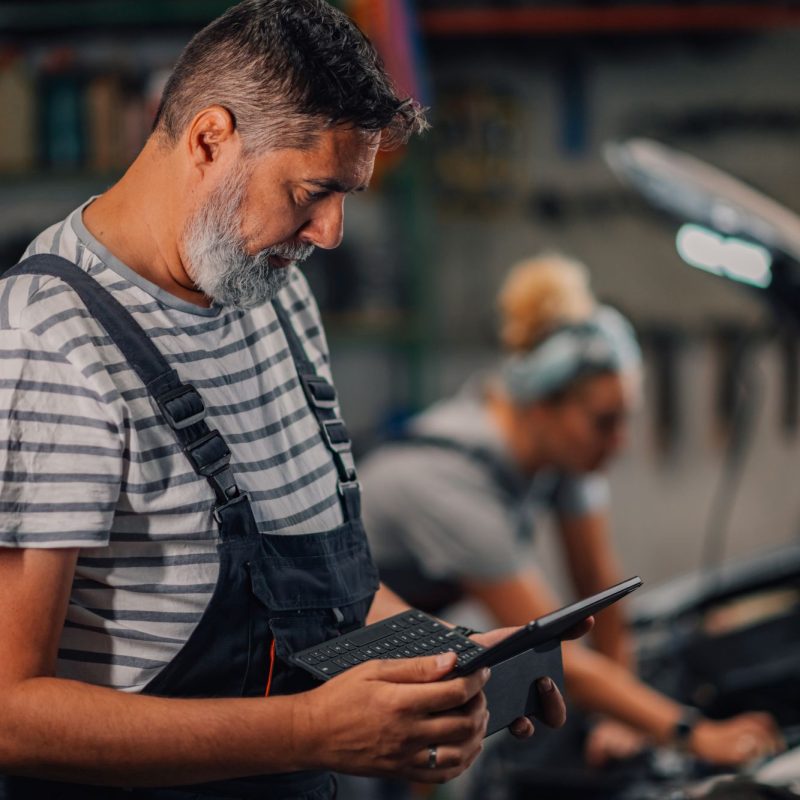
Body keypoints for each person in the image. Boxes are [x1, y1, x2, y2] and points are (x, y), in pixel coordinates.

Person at [0, 4, 579, 799]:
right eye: (313, 191)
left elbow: (323, 590)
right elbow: (10, 713)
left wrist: (450, 663)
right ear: (210, 139)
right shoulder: (47, 345)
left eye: (347, 195)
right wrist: (310, 730)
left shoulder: (272, 293)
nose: (332, 233)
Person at [359, 253, 784, 769]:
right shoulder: (448, 485)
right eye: (605, 422)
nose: (619, 443)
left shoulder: (563, 453)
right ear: (543, 408)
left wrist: (622, 716)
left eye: (626, 420)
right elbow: (552, 654)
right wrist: (694, 734)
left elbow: (597, 585)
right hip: (337, 669)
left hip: (405, 652)